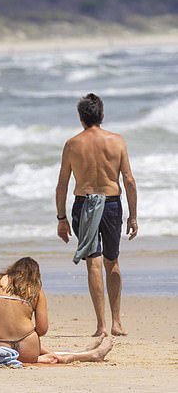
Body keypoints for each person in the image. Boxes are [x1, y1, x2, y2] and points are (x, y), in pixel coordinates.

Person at [56, 93, 137, 337]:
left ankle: (101, 325)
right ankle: (117, 323)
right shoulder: (117, 141)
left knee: (93, 262)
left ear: (81, 118)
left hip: (84, 204)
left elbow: (62, 185)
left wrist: (61, 219)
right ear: (102, 115)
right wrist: (133, 217)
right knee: (112, 261)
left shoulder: (72, 144)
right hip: (112, 204)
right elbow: (129, 180)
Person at [0, 257, 115, 363]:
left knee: (37, 349)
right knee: (33, 340)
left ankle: (86, 352)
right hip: (28, 349)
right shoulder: (35, 290)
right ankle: (89, 354)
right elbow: (42, 329)